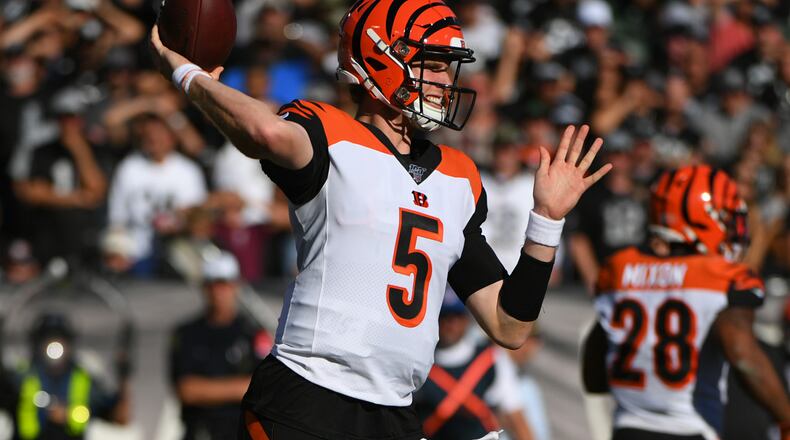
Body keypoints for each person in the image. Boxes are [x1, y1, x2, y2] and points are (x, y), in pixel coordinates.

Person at [149, 0, 611, 438]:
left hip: (396, 413)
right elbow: (263, 130)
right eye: (431, 64)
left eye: (446, 67)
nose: (444, 80)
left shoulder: (460, 177)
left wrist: (546, 220)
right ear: (382, 58)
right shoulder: (328, 131)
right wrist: (189, 74)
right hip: (307, 398)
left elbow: (510, 325)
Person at [582, 165, 790, 440]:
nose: (734, 229)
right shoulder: (721, 278)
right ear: (704, 219)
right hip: (689, 430)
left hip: (628, 429)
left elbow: (594, 376)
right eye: (725, 219)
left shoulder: (619, 270)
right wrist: (785, 416)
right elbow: (740, 351)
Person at [169, 251, 270, 440]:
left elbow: (265, 390)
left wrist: (208, 390)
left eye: (223, 284)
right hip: (199, 432)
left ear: (235, 286)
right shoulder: (186, 333)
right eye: (212, 285)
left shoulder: (253, 333)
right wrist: (240, 387)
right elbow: (187, 390)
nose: (218, 292)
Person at [414, 292, 534, 440]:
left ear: (466, 319)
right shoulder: (417, 362)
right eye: (444, 316)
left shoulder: (491, 359)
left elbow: (516, 417)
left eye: (456, 316)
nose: (450, 324)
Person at [0, 313, 130, 440]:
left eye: (60, 340)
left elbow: (120, 418)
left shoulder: (83, 379)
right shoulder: (20, 377)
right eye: (47, 340)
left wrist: (123, 377)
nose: (54, 347)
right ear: (36, 344)